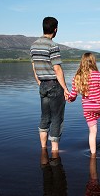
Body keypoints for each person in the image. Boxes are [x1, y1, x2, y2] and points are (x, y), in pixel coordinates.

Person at [30, 16, 70, 151]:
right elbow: (57, 68)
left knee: (45, 117)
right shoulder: (53, 45)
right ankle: (54, 150)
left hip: (42, 85)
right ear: (55, 29)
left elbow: (35, 67)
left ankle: (43, 149)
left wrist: (40, 83)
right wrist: (65, 88)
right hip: (54, 85)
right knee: (57, 118)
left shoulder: (34, 45)